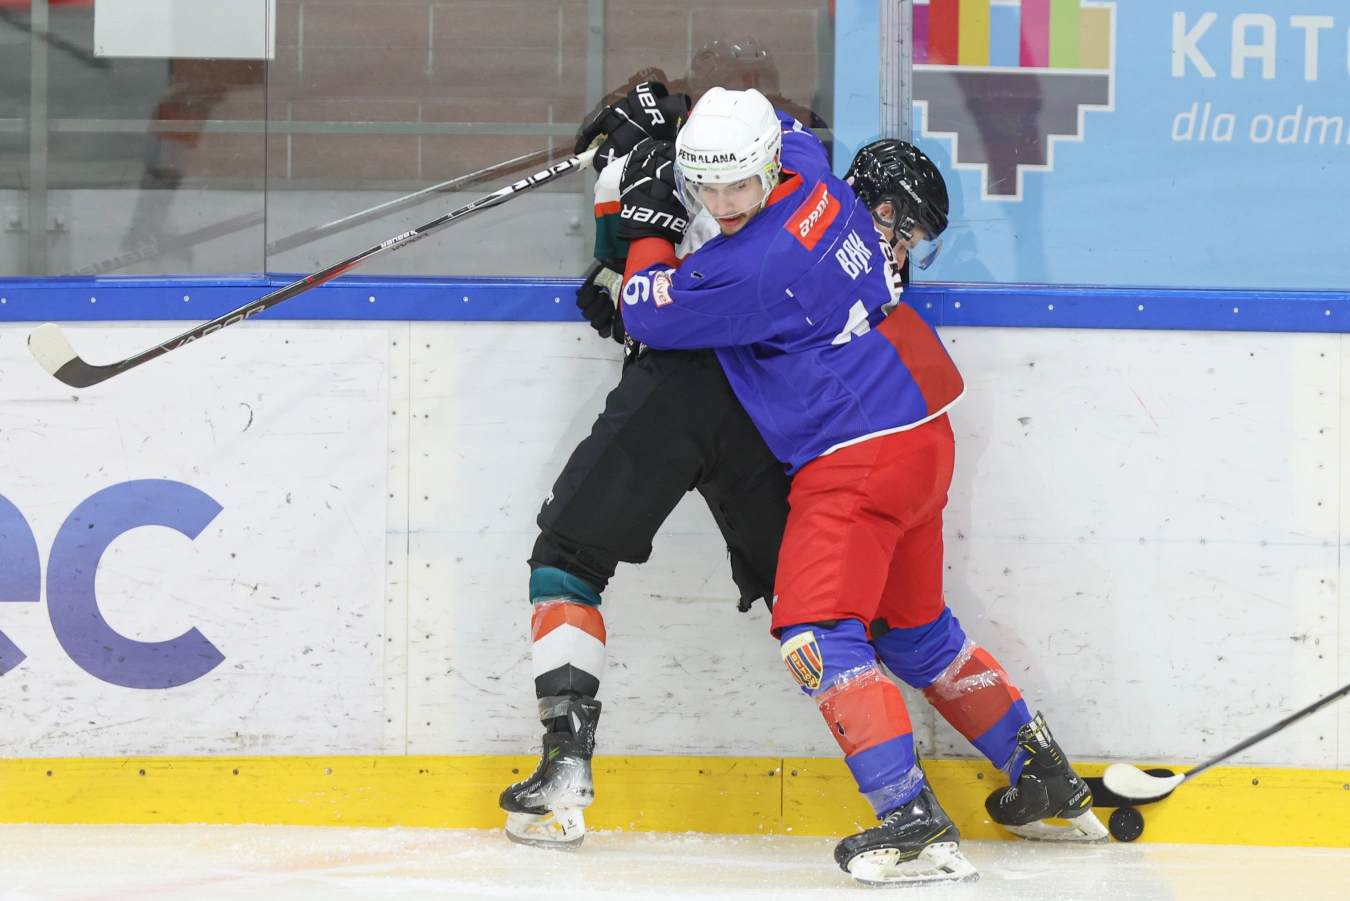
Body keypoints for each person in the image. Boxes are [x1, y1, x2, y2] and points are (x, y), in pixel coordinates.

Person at [613, 87, 1106, 887]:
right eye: (708, 184)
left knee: (816, 632)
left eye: (737, 183)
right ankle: (1043, 774)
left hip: (857, 449)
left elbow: (644, 309)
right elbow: (787, 126)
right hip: (918, 426)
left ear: (764, 166)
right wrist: (686, 128)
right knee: (914, 631)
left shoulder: (752, 268)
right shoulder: (811, 171)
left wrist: (645, 222)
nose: (723, 203)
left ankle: (909, 818)